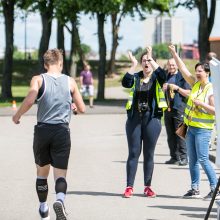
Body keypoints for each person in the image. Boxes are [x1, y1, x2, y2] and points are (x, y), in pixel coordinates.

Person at [12, 49, 85, 219]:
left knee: (41, 173)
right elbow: (81, 108)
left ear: (45, 64)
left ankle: (43, 208)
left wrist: (17, 115)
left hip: (43, 131)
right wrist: (72, 107)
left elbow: (30, 99)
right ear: (60, 63)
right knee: (60, 174)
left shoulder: (38, 79)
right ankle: (59, 200)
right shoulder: (70, 82)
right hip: (61, 131)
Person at [169, 44, 220, 200]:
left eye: (200, 71)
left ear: (207, 73)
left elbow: (215, 111)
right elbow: (183, 69)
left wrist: (201, 104)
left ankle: (215, 188)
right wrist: (174, 53)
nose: (197, 73)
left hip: (203, 130)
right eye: (196, 71)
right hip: (190, 128)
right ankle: (195, 188)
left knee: (204, 159)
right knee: (193, 160)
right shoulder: (195, 84)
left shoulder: (211, 90)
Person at [122, 46, 167, 198]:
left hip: (152, 119)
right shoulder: (135, 77)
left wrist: (150, 56)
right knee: (134, 153)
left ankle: (148, 186)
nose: (146, 63)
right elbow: (125, 83)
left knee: (149, 154)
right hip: (135, 119)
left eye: (149, 61)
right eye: (144, 61)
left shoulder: (156, 78)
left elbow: (163, 75)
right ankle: (129, 187)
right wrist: (133, 64)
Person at [163, 58, 191, 166]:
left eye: (174, 65)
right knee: (170, 135)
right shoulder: (166, 76)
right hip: (167, 109)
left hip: (179, 109)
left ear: (177, 66)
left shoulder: (182, 76)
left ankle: (184, 158)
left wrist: (177, 88)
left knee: (181, 134)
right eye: (169, 65)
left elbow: (189, 93)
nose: (171, 67)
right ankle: (174, 157)